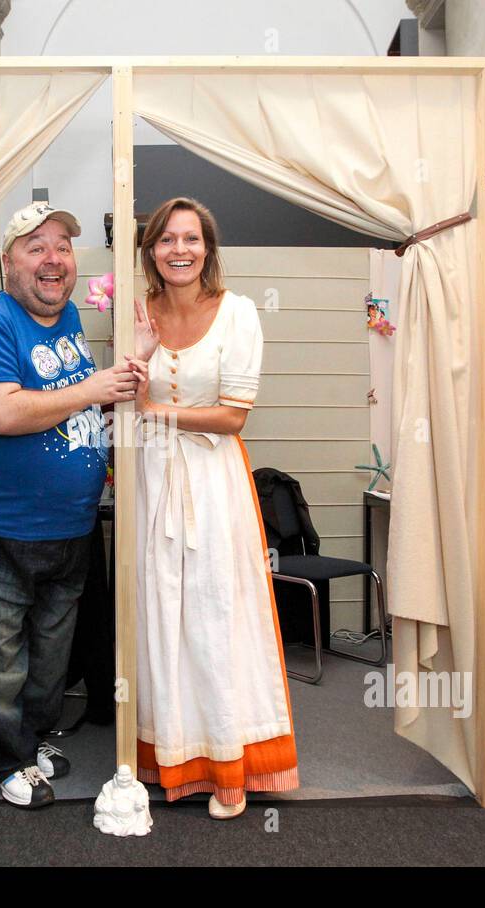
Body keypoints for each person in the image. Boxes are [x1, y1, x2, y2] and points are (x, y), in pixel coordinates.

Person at [0, 201, 144, 809]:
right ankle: (3, 763)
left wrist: (123, 379)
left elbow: (69, 402)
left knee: (50, 657)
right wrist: (94, 387)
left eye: (62, 245)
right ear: (8, 262)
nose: (52, 258)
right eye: (36, 247)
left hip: (70, 529)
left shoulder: (71, 319)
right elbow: (3, 413)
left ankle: (27, 743)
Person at [130, 197, 300, 819]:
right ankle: (172, 759)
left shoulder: (239, 314)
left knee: (213, 614)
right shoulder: (136, 315)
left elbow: (232, 416)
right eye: (167, 240)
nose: (179, 250)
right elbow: (121, 401)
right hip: (152, 480)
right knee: (159, 616)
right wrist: (140, 354)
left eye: (191, 239)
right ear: (151, 251)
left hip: (212, 483)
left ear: (208, 248)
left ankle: (230, 764)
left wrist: (156, 414)